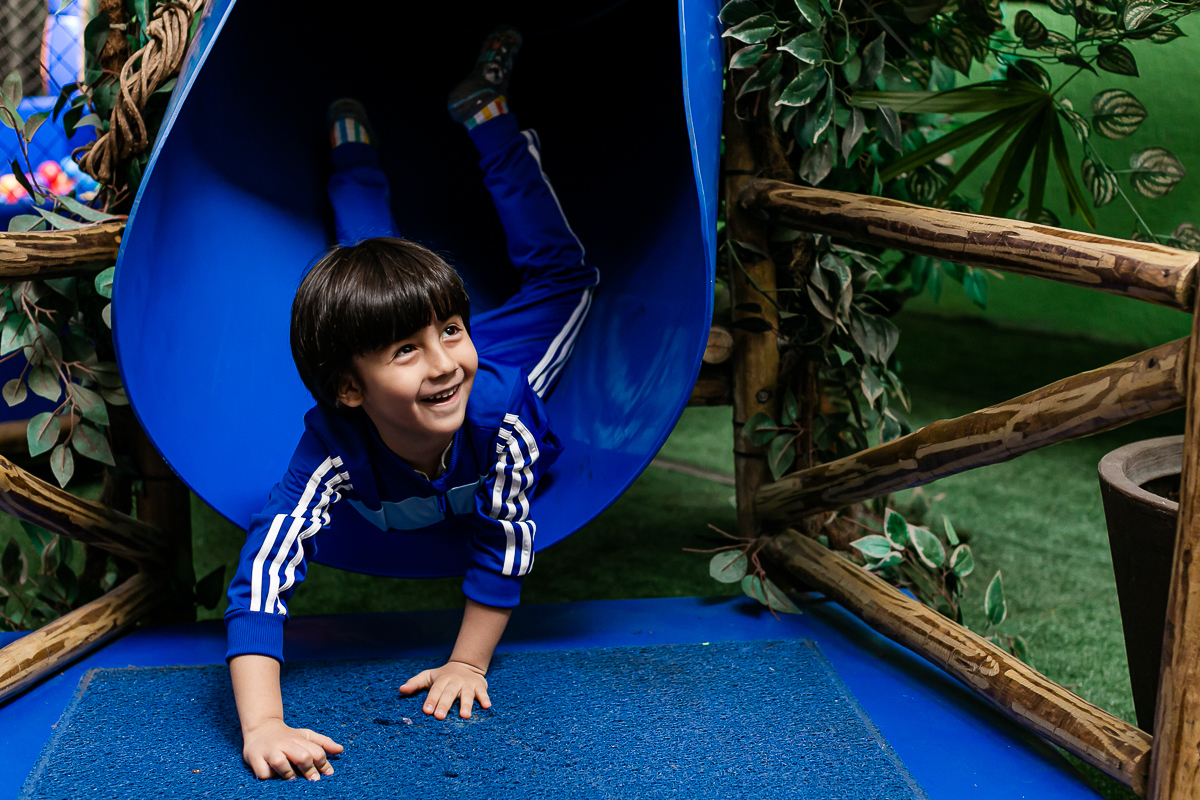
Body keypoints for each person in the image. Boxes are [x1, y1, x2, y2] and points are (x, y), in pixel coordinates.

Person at [222, 26, 599, 782]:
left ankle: (487, 118)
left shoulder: (501, 416)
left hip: (503, 372)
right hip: (401, 356)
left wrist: (468, 663)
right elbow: (264, 568)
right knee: (367, 279)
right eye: (406, 353)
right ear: (347, 390)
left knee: (566, 280)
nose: (441, 365)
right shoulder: (334, 446)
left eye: (449, 331)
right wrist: (263, 723)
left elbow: (506, 537)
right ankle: (357, 160)